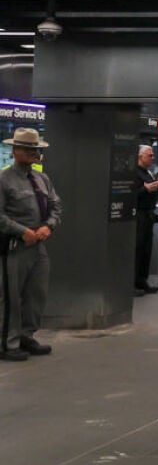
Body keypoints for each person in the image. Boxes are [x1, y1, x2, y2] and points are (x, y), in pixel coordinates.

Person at [0, 128, 61, 361]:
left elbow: (56, 206)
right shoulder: (4, 180)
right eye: (28, 149)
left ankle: (27, 335)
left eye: (35, 149)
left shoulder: (41, 178)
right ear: (15, 151)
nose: (34, 153)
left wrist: (49, 225)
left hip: (38, 245)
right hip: (14, 246)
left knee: (36, 294)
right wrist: (21, 231)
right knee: (11, 296)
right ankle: (7, 342)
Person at [134, 144, 158, 296]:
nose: (152, 158)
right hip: (138, 214)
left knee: (146, 249)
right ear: (140, 157)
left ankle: (142, 280)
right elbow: (131, 194)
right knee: (137, 248)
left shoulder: (149, 173)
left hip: (148, 214)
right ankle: (133, 282)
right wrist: (146, 189)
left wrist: (156, 187)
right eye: (149, 155)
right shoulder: (135, 173)